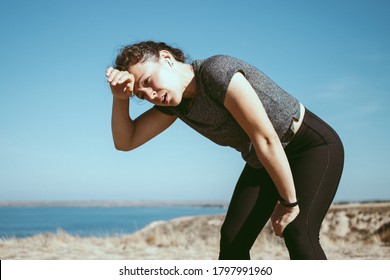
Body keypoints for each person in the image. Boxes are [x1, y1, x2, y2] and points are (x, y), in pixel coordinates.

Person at [105, 41, 344, 260]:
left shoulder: (216, 71)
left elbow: (266, 138)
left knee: (298, 231)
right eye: (140, 95)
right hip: (263, 160)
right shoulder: (176, 105)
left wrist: (288, 204)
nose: (150, 95)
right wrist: (120, 98)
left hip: (309, 146)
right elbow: (127, 141)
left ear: (167, 58)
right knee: (233, 241)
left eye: (147, 81)